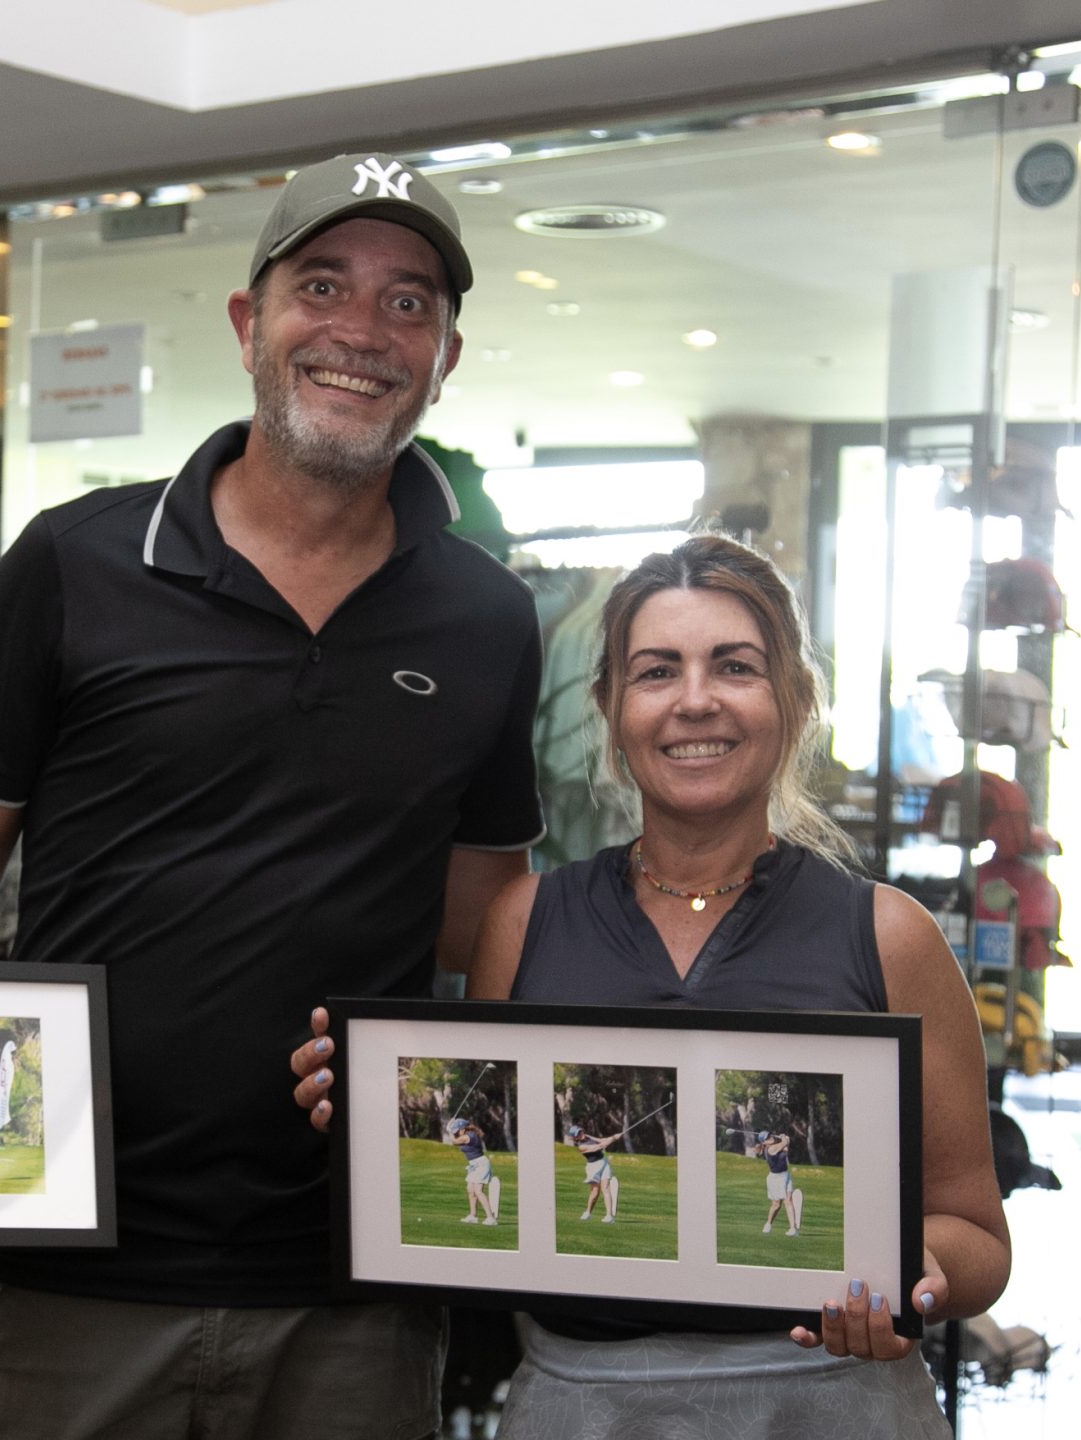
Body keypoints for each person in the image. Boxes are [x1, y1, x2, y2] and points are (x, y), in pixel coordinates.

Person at [0, 153, 540, 1433]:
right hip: (61, 1265)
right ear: (248, 323)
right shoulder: (77, 561)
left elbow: (486, 910)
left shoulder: (487, 615)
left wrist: (508, 1120)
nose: (360, 330)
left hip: (351, 1282)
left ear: (446, 355)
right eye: (320, 285)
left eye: (409, 304)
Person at [295, 533, 1009, 1438]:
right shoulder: (525, 921)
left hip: (830, 1403)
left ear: (792, 697)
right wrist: (370, 1119)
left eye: (735, 666)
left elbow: (978, 1238)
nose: (696, 700)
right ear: (611, 704)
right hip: (583, 1408)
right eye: (657, 671)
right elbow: (503, 1207)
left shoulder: (889, 935)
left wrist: (904, 1269)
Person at [445, 1115, 500, 1225]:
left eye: (457, 1131)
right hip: (474, 1166)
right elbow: (456, 1142)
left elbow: (455, 1141)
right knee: (470, 1190)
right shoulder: (465, 1135)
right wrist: (450, 1127)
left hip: (481, 1165)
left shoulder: (469, 1136)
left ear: (463, 1129)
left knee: (478, 1191)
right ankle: (473, 1216)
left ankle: (491, 1218)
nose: (456, 1133)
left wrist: (448, 1130)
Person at [567, 1122, 618, 1222]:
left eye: (580, 1131)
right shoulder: (581, 1146)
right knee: (595, 1192)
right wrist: (613, 1138)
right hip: (593, 1167)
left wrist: (613, 1137)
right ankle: (588, 1212)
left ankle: (609, 1216)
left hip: (604, 1162)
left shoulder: (587, 1136)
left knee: (606, 1188)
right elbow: (599, 1147)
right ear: (575, 1138)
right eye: (578, 1134)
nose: (581, 1134)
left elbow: (601, 1141)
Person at [756, 1131, 800, 1236]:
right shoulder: (771, 1149)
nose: (770, 1137)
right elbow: (785, 1143)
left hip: (785, 1175)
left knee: (788, 1201)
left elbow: (786, 1146)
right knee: (776, 1205)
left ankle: (792, 1229)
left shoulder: (776, 1146)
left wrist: (785, 1139)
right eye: (767, 1138)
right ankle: (768, 1224)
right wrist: (784, 1137)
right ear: (764, 1142)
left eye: (770, 1135)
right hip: (776, 1179)